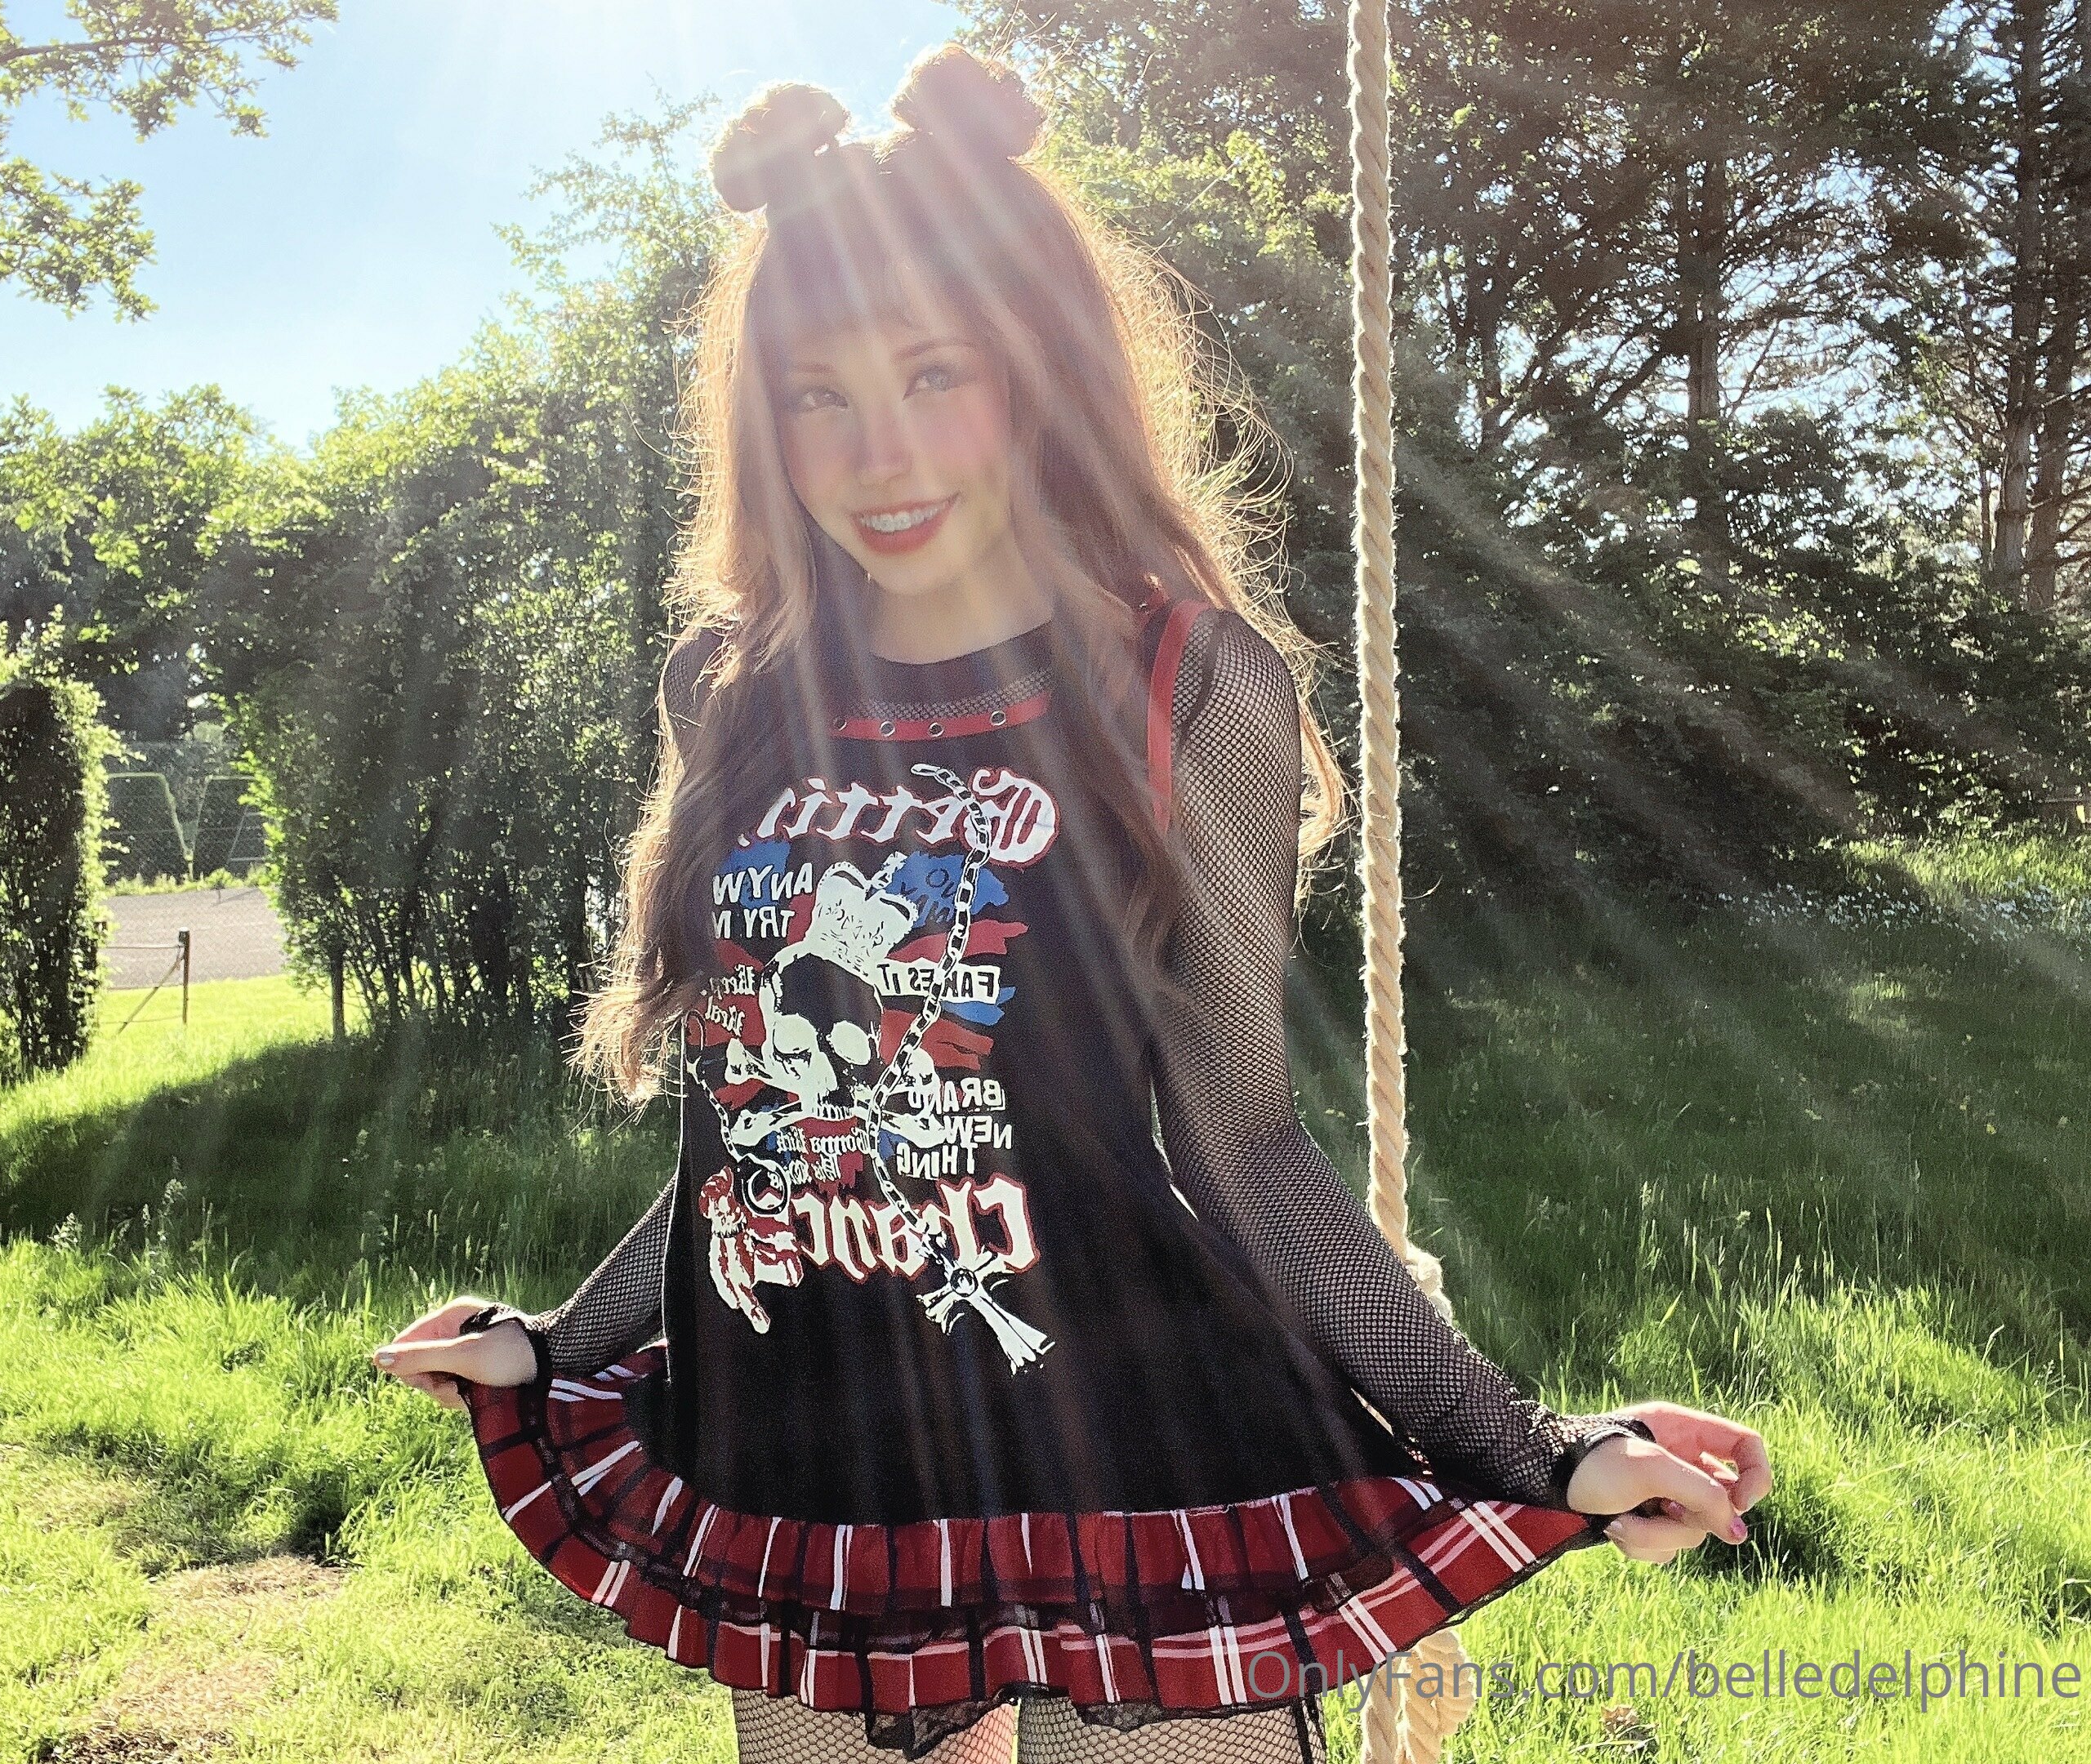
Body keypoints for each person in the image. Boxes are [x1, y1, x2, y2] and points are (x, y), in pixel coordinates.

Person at [372, 42, 1770, 1764]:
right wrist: (558, 1342)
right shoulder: (729, 691)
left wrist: (1536, 1448)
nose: (878, 453)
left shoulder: (1189, 686)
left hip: (1136, 1455)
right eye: (818, 394)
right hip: (818, 1462)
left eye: (934, 373)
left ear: (1038, 368)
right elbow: (765, 1136)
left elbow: (1244, 1143)